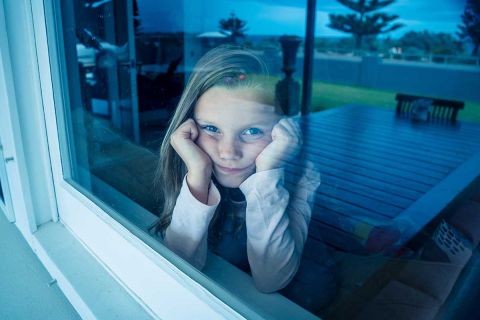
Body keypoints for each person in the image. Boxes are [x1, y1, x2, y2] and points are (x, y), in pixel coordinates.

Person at [151, 45, 336, 312]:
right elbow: (178, 264)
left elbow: (271, 280)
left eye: (251, 131)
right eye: (211, 128)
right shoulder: (192, 165)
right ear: (189, 127)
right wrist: (199, 174)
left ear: (283, 131)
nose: (228, 153)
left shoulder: (302, 177)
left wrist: (267, 171)